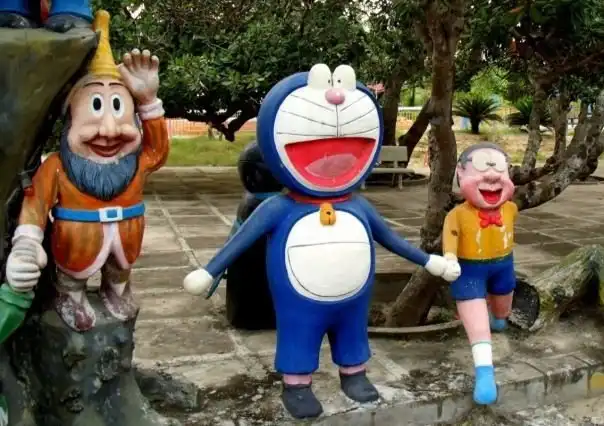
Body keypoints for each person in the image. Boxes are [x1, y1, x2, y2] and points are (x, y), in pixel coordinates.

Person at [183, 63, 461, 420]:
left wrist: (428, 261)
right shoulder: (278, 208)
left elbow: (390, 238)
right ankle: (297, 384)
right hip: (298, 294)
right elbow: (242, 239)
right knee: (299, 331)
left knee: (353, 331)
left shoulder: (358, 206)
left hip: (354, 293)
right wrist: (210, 271)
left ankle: (354, 374)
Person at [4, 10, 169, 332]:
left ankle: (116, 288)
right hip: (73, 249)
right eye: (94, 110)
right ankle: (70, 294)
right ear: (70, 121)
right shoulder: (57, 167)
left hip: (127, 241)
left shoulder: (135, 161)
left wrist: (149, 101)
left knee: (120, 273)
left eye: (119, 110)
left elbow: (158, 151)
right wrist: (26, 245)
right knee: (71, 279)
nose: (109, 130)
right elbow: (35, 206)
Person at [443, 142, 517, 405]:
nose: (492, 175)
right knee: (477, 322)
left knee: (502, 309)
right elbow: (450, 239)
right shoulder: (457, 215)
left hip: (504, 265)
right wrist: (449, 258)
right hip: (469, 270)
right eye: (482, 168)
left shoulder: (511, 209)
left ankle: (498, 317)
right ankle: (485, 373)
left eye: (499, 168)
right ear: (460, 174)